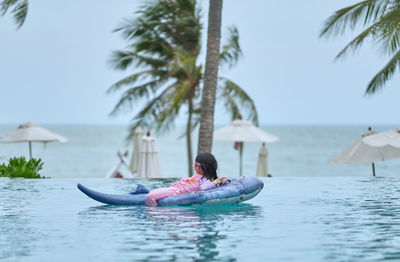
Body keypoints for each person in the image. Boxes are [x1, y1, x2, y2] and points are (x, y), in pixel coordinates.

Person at [145, 152, 228, 206]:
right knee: (151, 193)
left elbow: (204, 187)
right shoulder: (197, 175)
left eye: (196, 163)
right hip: (173, 189)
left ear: (203, 166)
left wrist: (217, 181)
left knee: (150, 196)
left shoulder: (205, 180)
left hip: (176, 192)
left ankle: (153, 213)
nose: (194, 166)